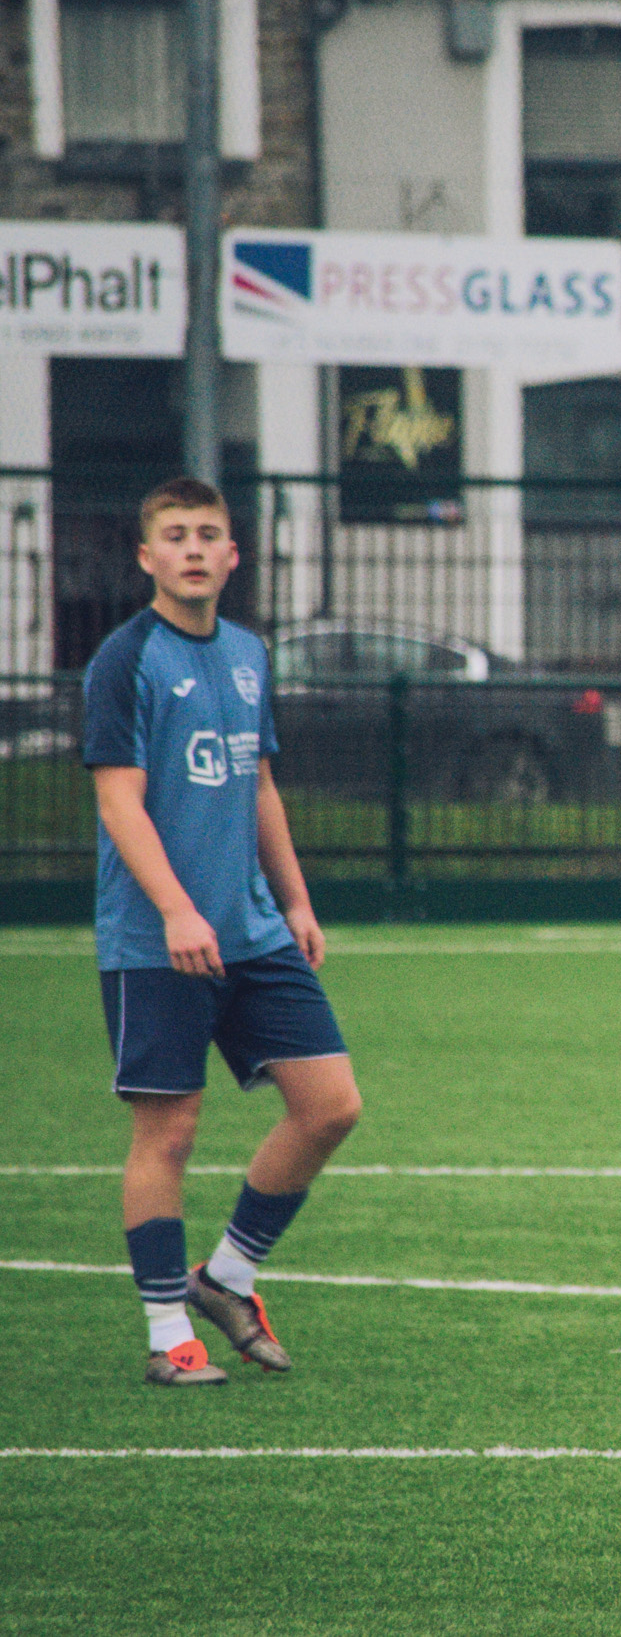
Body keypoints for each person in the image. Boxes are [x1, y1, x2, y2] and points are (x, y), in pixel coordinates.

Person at [83, 478, 362, 1388]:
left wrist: (297, 901)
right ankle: (170, 1332)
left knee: (330, 1105)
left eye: (210, 534)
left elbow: (261, 784)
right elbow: (118, 801)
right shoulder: (124, 661)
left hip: (251, 930)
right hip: (157, 937)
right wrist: (175, 909)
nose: (195, 548)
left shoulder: (248, 651)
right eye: (176, 534)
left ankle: (228, 1277)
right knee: (168, 1132)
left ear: (234, 555)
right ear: (147, 556)